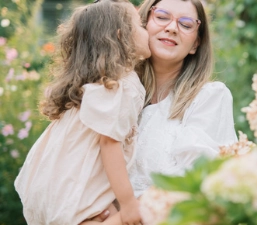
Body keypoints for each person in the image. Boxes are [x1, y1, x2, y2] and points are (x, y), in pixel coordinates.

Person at [92, 0, 238, 223]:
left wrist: (118, 219)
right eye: (162, 17)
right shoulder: (114, 91)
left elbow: (193, 187)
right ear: (139, 28)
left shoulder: (209, 98)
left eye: (186, 24)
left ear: (195, 44)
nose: (171, 28)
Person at [14, 0, 150, 224]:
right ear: (121, 36)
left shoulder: (97, 86)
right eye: (140, 25)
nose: (146, 31)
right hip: (76, 201)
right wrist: (127, 203)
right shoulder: (121, 84)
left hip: (56, 194)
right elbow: (110, 143)